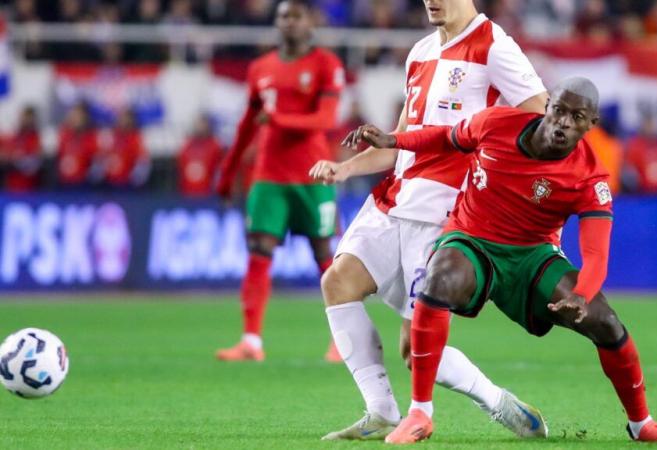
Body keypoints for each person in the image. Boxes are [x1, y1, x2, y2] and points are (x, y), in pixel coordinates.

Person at [348, 77, 657, 446]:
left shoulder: (590, 178)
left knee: (605, 321)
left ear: (590, 124)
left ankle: (642, 424)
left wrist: (582, 293)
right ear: (547, 106)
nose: (563, 122)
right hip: (472, 240)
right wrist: (394, 140)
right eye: (559, 110)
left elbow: (596, 255)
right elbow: (445, 137)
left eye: (576, 117)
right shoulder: (495, 123)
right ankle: (420, 412)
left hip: (532, 256)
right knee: (440, 278)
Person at [309, 0, 549, 441]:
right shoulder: (420, 51)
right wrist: (344, 168)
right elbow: (401, 139)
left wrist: (498, 179)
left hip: (445, 209)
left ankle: (497, 402)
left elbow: (539, 116)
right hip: (395, 197)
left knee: (414, 348)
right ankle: (381, 411)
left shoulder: (494, 45)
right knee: (337, 282)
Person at [215, 0, 344, 362]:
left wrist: (278, 119)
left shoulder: (326, 64)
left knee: (326, 258)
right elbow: (246, 126)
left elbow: (325, 119)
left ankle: (343, 341)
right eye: (282, 16)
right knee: (258, 253)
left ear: (309, 22)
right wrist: (227, 175)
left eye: (295, 16)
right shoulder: (260, 68)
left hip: (313, 174)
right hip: (268, 176)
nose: (288, 22)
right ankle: (251, 341)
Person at [98, 109, 149, 189]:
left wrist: (136, 179)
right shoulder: (111, 136)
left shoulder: (135, 138)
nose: (122, 120)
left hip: (127, 183)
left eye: (125, 118)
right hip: (108, 183)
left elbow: (141, 160)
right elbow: (102, 155)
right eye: (120, 117)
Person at [177, 115, 222, 197]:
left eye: (202, 125)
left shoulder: (214, 145)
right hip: (187, 192)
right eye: (198, 124)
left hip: (207, 193)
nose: (199, 127)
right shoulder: (187, 144)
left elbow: (218, 169)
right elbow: (181, 165)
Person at [0, 106, 42, 192]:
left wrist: (16, 160)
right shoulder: (13, 137)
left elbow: (33, 165)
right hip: (11, 186)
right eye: (23, 117)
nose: (25, 121)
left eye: (28, 118)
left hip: (29, 187)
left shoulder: (35, 139)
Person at [56, 102, 98, 188]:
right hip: (64, 182)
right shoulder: (64, 134)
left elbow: (93, 158)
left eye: (78, 116)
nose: (75, 119)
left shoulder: (91, 136)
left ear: (84, 118)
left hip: (83, 182)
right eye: (73, 116)